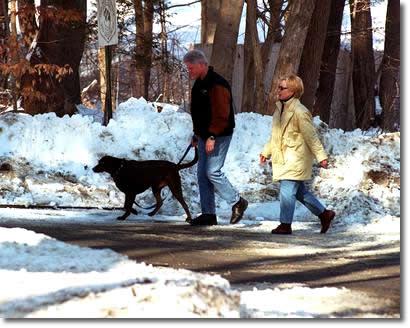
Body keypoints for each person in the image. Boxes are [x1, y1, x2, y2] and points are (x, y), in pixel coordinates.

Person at [260, 74, 335, 235]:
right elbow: (275, 135)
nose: (278, 90)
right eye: (278, 87)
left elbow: (311, 136)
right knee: (299, 192)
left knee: (287, 191)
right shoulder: (279, 109)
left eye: (282, 88)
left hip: (296, 159)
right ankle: (324, 214)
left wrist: (321, 156)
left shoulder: (300, 112)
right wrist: (266, 152)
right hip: (284, 157)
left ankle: (285, 225)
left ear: (293, 91)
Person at [183, 49, 248, 226]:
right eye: (187, 68)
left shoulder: (217, 84)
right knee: (202, 175)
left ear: (202, 65)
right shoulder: (198, 84)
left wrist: (212, 136)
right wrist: (197, 134)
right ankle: (208, 214)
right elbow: (198, 113)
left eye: (191, 68)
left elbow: (222, 114)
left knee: (212, 171)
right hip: (204, 135)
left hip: (220, 134)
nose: (189, 71)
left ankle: (237, 202)